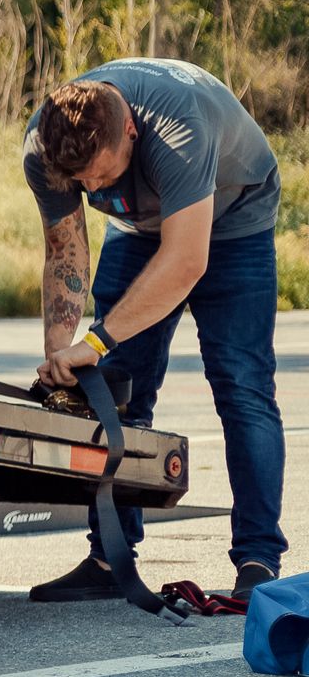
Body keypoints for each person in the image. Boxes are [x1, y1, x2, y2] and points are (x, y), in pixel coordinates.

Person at [22, 59, 286, 602]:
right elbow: (65, 248)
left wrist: (95, 340)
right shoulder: (46, 146)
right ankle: (108, 558)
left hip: (235, 216)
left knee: (243, 387)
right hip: (139, 225)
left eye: (100, 172)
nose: (90, 186)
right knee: (117, 387)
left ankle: (258, 558)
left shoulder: (176, 126)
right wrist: (60, 353)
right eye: (81, 181)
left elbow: (187, 260)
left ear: (130, 131)